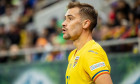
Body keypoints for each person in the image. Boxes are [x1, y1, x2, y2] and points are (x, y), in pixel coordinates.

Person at [62, 2, 113, 84]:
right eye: (65, 19)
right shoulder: (73, 54)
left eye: (70, 19)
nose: (63, 23)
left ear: (85, 24)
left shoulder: (91, 53)